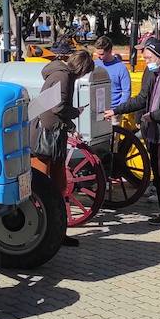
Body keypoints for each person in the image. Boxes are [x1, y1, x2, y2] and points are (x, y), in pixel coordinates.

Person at [105, 37, 160, 230]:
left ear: (158, 56)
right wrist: (117, 110)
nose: (145, 61)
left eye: (147, 58)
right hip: (153, 131)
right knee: (158, 175)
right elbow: (142, 98)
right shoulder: (152, 73)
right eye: (144, 58)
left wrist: (154, 115)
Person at [39, 48, 93, 247]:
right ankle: (51, 233)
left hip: (48, 132)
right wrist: (75, 113)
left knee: (54, 185)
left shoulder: (58, 73)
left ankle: (56, 232)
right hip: (49, 136)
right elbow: (58, 107)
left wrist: (70, 125)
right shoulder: (64, 77)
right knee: (51, 186)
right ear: (81, 68)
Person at [93, 35, 131, 109]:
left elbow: (126, 91)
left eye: (101, 54)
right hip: (95, 108)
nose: (98, 56)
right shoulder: (94, 65)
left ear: (110, 51)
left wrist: (118, 110)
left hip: (114, 109)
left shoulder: (121, 68)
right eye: (97, 53)